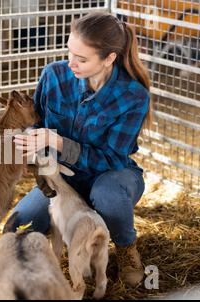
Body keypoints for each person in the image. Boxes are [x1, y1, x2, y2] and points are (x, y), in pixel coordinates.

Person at [11, 12, 151, 287]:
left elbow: (110, 158)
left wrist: (57, 141)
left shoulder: (133, 96)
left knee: (107, 197)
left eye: (82, 59)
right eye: (69, 52)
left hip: (111, 176)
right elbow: (35, 122)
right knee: (21, 224)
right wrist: (29, 146)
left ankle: (125, 247)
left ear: (109, 58)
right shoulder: (54, 75)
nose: (70, 63)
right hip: (62, 179)